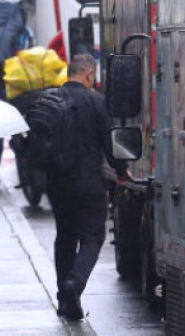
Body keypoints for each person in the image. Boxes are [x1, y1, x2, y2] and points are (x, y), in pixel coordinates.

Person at [47, 54, 127, 321]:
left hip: (57, 182)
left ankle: (64, 299)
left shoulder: (50, 100)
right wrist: (122, 172)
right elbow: (110, 142)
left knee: (65, 236)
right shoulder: (96, 102)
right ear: (90, 74)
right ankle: (75, 283)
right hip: (89, 182)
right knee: (93, 238)